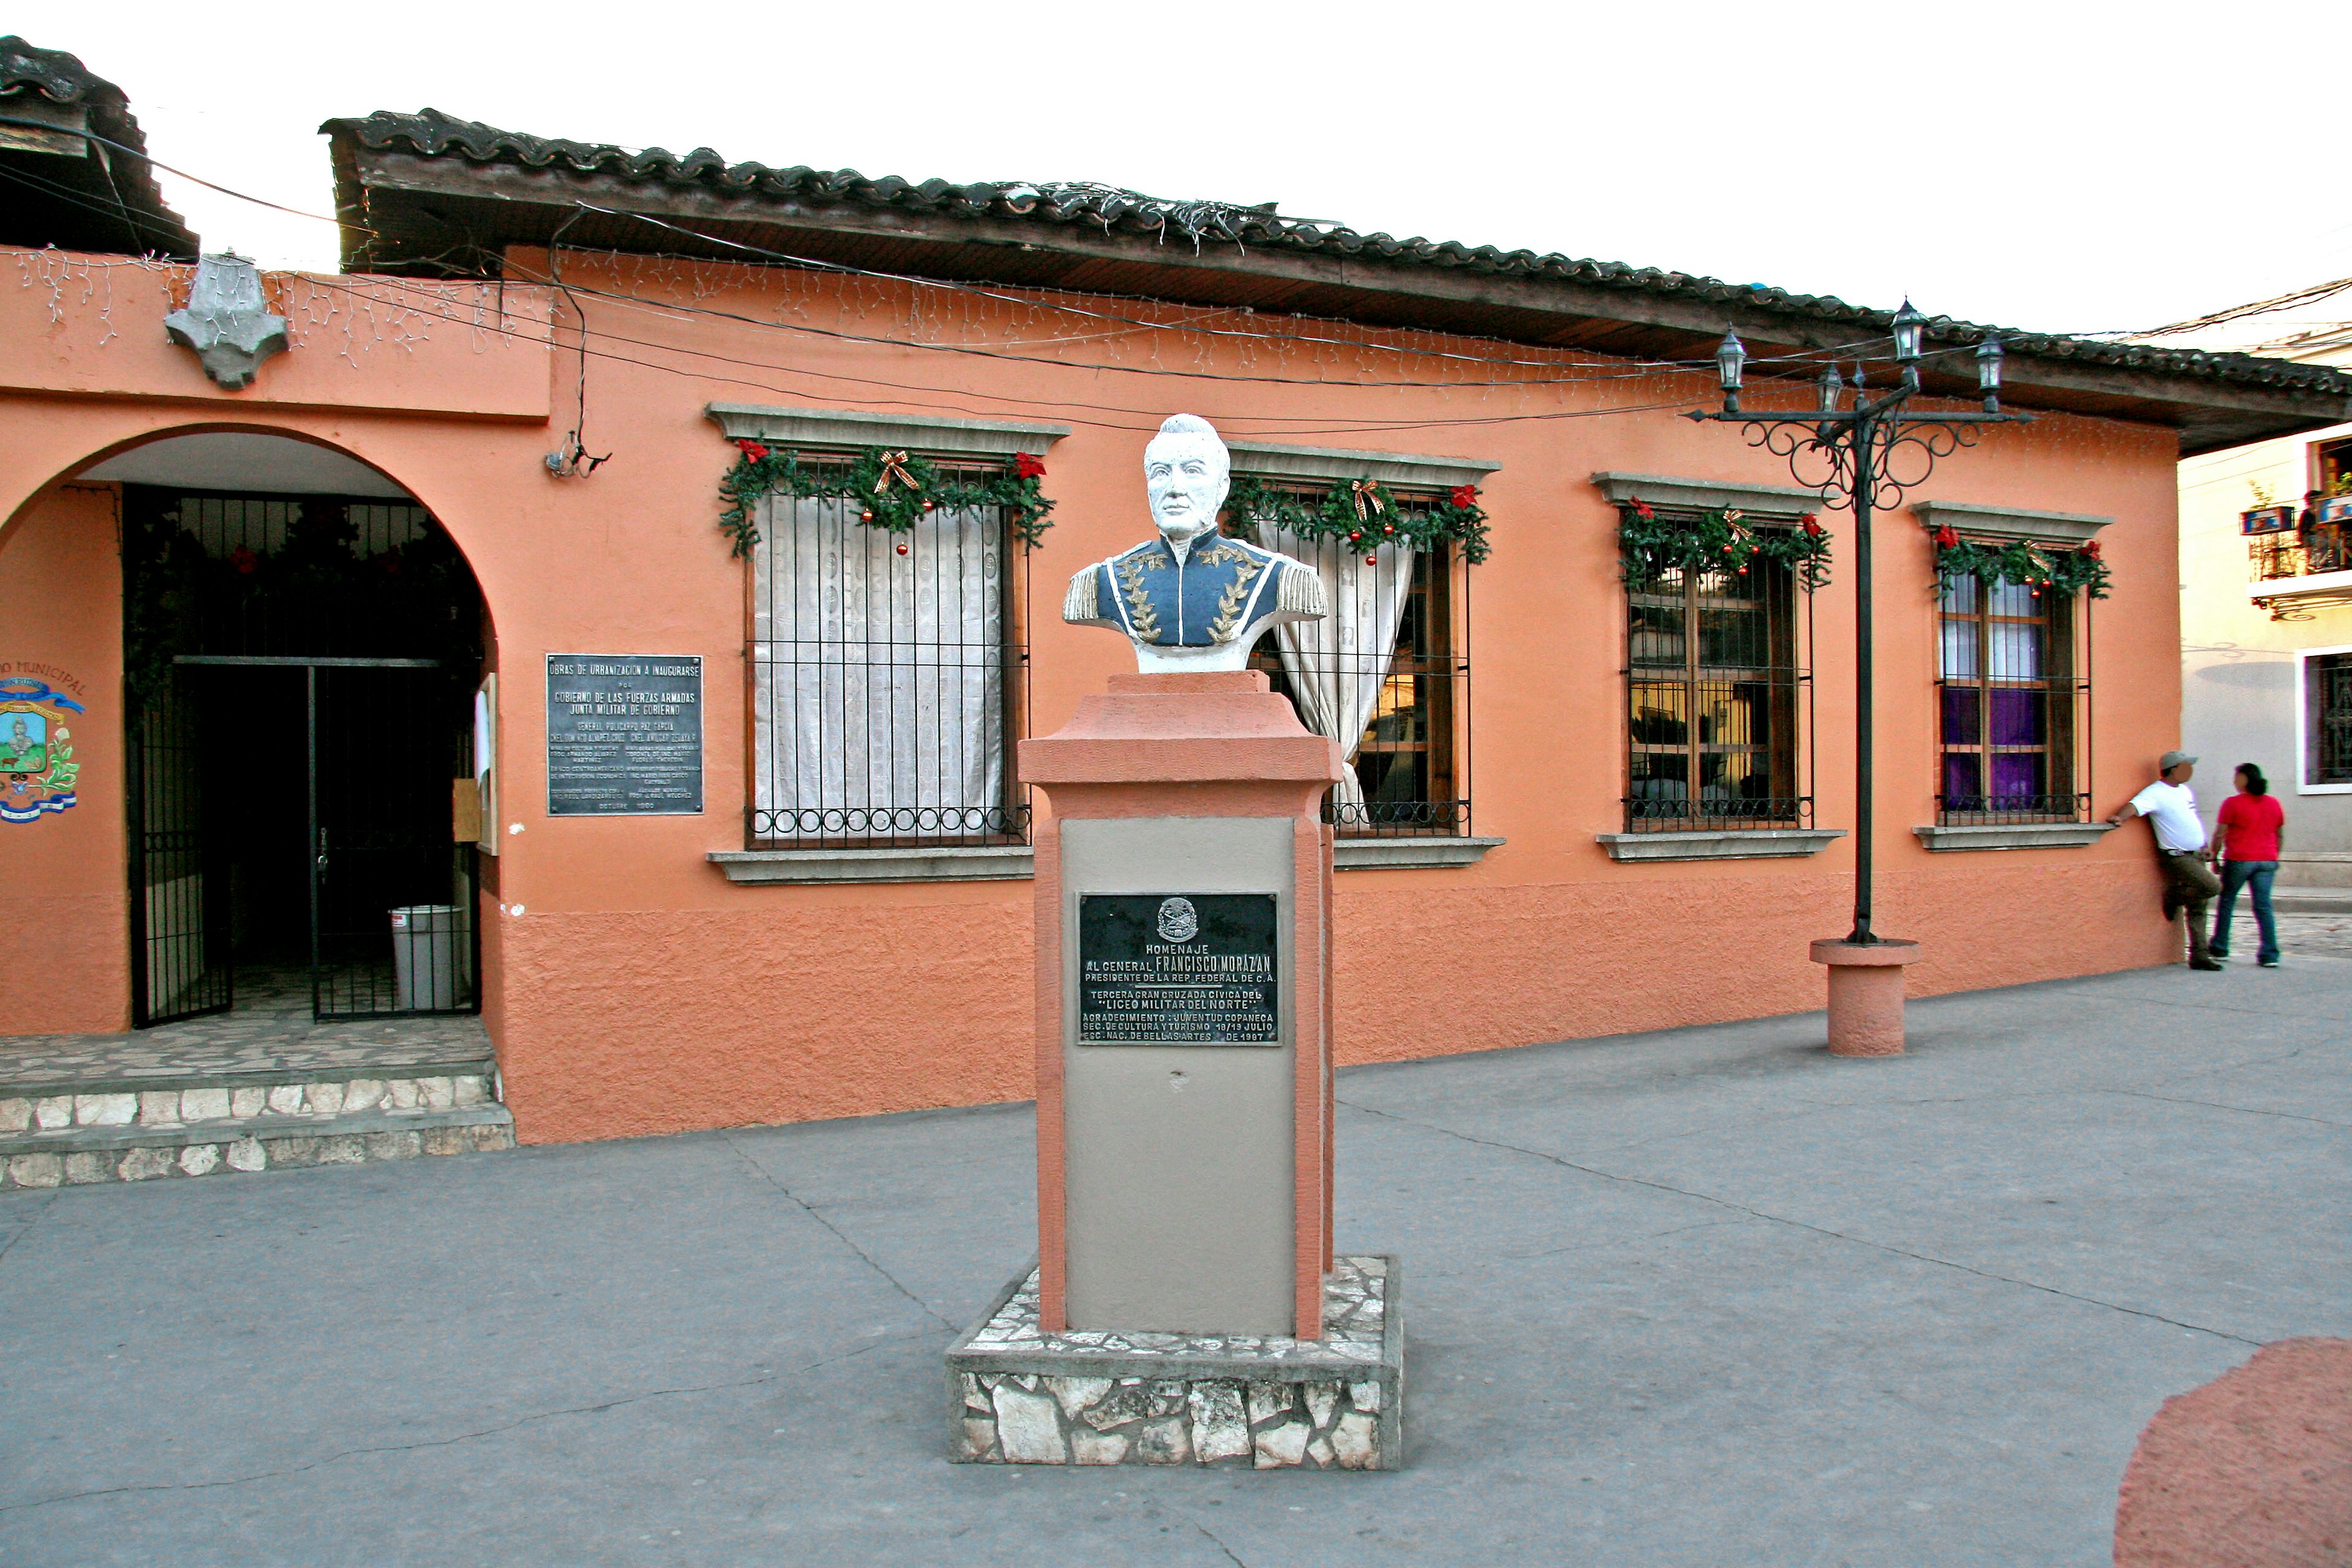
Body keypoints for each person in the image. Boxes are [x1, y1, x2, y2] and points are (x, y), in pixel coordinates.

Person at [1063, 413, 1326, 671]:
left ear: (1222, 488)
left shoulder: (1282, 576)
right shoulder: (1100, 581)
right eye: (1161, 473)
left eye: (1192, 471)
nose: (1175, 487)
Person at [2106, 750, 2222, 970]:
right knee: (2212, 886)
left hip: (2196, 854)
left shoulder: (2185, 791)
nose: (2189, 771)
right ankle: (2174, 896)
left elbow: (2190, 820)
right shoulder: (2156, 792)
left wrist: (2204, 846)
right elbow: (2135, 805)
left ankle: (2200, 955)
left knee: (2199, 908)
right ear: (2173, 769)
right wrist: (2120, 817)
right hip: (2178, 857)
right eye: (2185, 767)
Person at [2210, 761, 2285, 968]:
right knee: (2263, 906)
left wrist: (2214, 856)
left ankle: (2220, 947)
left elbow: (2220, 833)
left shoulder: (2232, 804)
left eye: (2237, 777)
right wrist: (2274, 856)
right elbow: (2279, 834)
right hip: (2267, 860)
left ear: (2243, 780)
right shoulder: (2273, 803)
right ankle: (2270, 954)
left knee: (2227, 902)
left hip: (2240, 859)